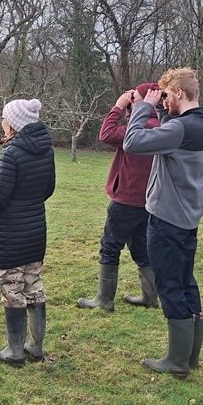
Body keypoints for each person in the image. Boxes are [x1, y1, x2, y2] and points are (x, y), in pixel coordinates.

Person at [123, 68, 203, 379]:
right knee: (186, 280)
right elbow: (171, 139)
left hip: (167, 218)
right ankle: (190, 356)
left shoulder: (179, 129)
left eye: (167, 96)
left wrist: (143, 107)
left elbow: (133, 143)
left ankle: (176, 362)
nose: (164, 102)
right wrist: (163, 112)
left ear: (177, 93)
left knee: (170, 285)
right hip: (188, 215)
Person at [0, 99, 56, 366]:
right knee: (33, 286)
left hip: (9, 234)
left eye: (4, 118)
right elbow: (49, 188)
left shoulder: (11, 154)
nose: (2, 121)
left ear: (12, 122)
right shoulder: (46, 150)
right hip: (35, 230)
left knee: (12, 289)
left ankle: (14, 351)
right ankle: (35, 347)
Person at [78, 82, 161, 311]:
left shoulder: (137, 128)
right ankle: (150, 296)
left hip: (125, 199)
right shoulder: (162, 126)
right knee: (142, 247)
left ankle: (104, 300)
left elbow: (106, 134)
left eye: (133, 96)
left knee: (110, 246)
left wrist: (118, 106)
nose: (129, 98)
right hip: (148, 200)